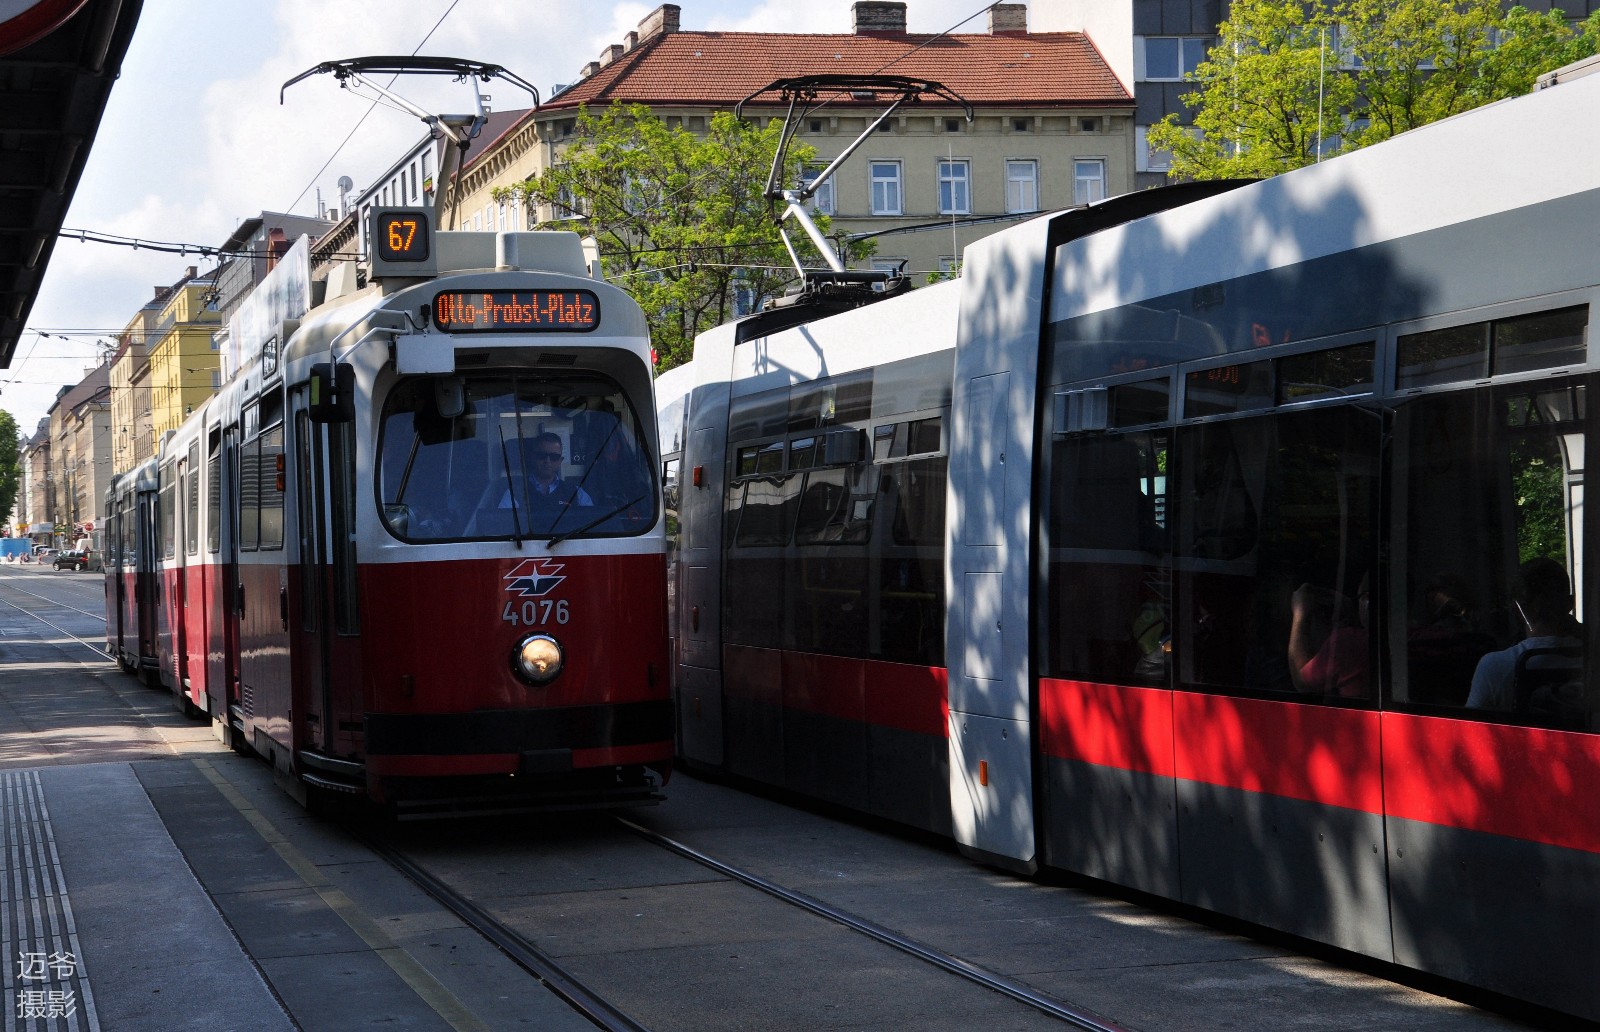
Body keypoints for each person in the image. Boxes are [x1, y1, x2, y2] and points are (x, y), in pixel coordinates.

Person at [1467, 557, 1582, 711]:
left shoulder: (1493, 666)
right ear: (1570, 603)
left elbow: (1470, 724)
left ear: (1517, 607)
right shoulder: (1591, 659)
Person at [1287, 575, 1371, 697]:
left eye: (1360, 597)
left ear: (1368, 600)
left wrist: (1300, 612)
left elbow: (1301, 682)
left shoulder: (1350, 643)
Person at [501, 431, 593, 508]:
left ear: (560, 461)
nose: (547, 461)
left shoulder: (577, 493)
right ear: (533, 458)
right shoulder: (514, 493)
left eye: (554, 457)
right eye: (541, 455)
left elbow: (591, 521)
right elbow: (505, 522)